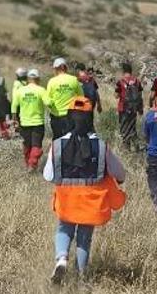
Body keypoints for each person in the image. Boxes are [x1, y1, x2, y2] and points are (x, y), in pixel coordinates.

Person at [43, 97, 126, 282]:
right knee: (84, 237)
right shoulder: (101, 145)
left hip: (66, 201)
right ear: (90, 118)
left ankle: (62, 259)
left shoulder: (57, 145)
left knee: (64, 229)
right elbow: (119, 172)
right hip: (91, 203)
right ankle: (81, 277)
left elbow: (48, 176)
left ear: (69, 118)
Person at [12, 68, 51, 171]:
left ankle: (28, 165)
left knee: (27, 145)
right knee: (36, 146)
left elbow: (14, 105)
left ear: (28, 79)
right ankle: (32, 164)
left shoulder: (20, 90)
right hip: (38, 123)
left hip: (24, 123)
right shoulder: (41, 90)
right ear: (38, 79)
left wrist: (14, 119)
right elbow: (49, 103)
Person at [47, 57, 83, 139]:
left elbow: (48, 101)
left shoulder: (52, 81)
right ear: (66, 68)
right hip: (71, 116)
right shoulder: (74, 80)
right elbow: (81, 98)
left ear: (56, 68)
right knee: (70, 140)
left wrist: (52, 106)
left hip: (56, 116)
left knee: (57, 139)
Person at [115, 62, 144, 151]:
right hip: (134, 108)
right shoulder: (137, 81)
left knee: (124, 128)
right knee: (132, 127)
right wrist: (140, 109)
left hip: (123, 108)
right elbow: (140, 95)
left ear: (123, 71)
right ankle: (136, 147)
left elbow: (116, 95)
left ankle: (126, 149)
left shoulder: (120, 82)